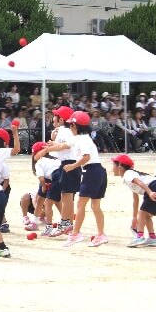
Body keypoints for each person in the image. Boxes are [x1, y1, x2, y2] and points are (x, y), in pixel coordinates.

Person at [61, 111, 109, 247]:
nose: (70, 127)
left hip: (91, 171)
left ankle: (75, 234)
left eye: (71, 125)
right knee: (95, 206)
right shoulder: (84, 138)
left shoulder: (82, 139)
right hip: (99, 171)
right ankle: (101, 234)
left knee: (81, 204)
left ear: (76, 126)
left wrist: (73, 166)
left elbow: (86, 157)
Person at [34, 106, 77, 237]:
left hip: (67, 165)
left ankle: (65, 224)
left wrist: (47, 149)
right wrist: (53, 143)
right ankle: (68, 225)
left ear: (61, 119)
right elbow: (62, 149)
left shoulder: (63, 130)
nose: (53, 118)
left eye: (55, 116)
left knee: (66, 197)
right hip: (69, 165)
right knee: (67, 197)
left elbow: (68, 145)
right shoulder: (63, 131)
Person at [111, 154, 156, 247]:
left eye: (113, 165)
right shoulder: (129, 176)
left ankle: (139, 237)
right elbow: (135, 199)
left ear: (120, 166)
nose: (112, 168)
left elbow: (140, 183)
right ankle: (152, 238)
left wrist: (150, 192)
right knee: (146, 215)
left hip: (155, 187)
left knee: (142, 213)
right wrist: (134, 218)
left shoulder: (128, 174)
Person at [29, 141, 61, 236]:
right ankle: (34, 221)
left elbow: (41, 179)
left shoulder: (39, 162)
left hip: (54, 178)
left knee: (48, 203)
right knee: (41, 199)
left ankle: (49, 227)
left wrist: (43, 187)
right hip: (59, 176)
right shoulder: (55, 159)